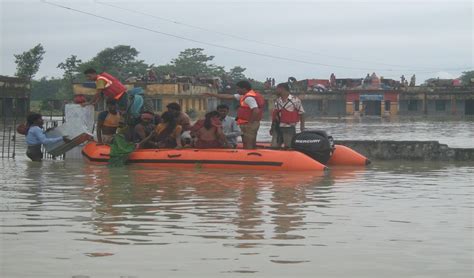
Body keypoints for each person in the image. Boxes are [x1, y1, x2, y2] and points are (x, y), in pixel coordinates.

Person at [205, 80, 264, 149]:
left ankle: (249, 156)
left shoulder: (249, 98)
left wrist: (250, 122)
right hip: (245, 122)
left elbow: (256, 110)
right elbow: (228, 96)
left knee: (248, 142)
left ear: (244, 89)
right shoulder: (243, 96)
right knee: (247, 141)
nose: (237, 90)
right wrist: (213, 95)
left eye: (238, 88)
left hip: (249, 123)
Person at [270, 83, 305, 149]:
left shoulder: (295, 100)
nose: (276, 91)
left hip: (289, 128)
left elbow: (302, 113)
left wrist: (302, 127)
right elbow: (276, 116)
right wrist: (272, 127)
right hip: (278, 128)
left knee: (289, 147)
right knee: (274, 147)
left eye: (277, 89)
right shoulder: (277, 101)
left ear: (282, 89)